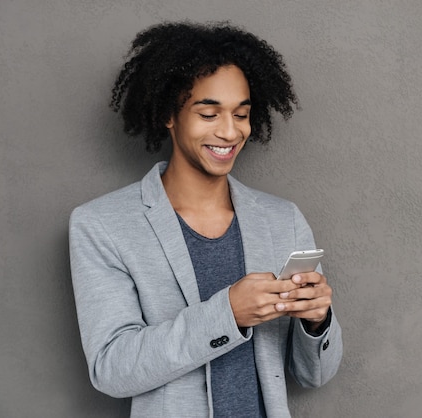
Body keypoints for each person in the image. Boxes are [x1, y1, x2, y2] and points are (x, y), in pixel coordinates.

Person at [69, 21, 342, 417]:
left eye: (241, 114)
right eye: (209, 113)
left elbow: (312, 375)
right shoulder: (101, 225)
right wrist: (227, 314)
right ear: (168, 114)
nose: (230, 132)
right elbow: (112, 368)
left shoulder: (283, 220)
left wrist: (316, 322)